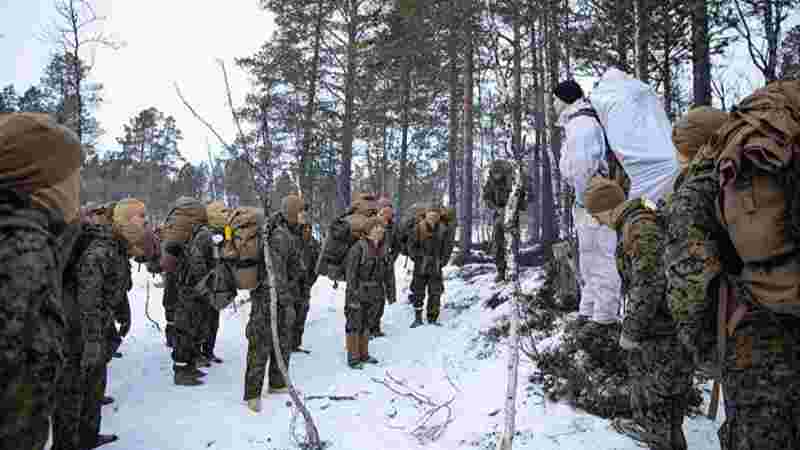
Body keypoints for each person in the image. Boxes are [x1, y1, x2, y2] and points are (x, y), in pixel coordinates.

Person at [665, 81, 800, 450]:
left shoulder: (702, 184)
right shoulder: (780, 153)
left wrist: (705, 350)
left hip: (756, 342)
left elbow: (687, 278)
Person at [584, 177, 692, 450]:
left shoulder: (639, 228)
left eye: (596, 216)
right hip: (663, 329)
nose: (597, 222)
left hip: (662, 334)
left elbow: (649, 283)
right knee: (665, 411)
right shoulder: (636, 223)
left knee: (658, 407)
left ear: (608, 208)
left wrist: (631, 331)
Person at [0, 113, 80, 450]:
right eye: (72, 176)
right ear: (41, 180)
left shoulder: (29, 238)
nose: (78, 187)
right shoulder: (22, 249)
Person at [554, 79, 626, 330]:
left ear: (565, 99)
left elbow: (583, 166)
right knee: (589, 256)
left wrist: (585, 200)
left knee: (602, 256)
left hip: (597, 199)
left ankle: (604, 316)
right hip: (588, 198)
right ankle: (589, 309)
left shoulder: (582, 125)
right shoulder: (578, 123)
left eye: (555, 98)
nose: (552, 104)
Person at [243, 194, 304, 413]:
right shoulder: (278, 236)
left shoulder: (288, 232)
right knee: (260, 344)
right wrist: (287, 300)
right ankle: (252, 394)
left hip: (279, 297)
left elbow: (294, 266)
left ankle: (277, 384)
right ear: (292, 213)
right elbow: (276, 274)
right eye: (301, 211)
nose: (304, 216)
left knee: (284, 340)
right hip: (268, 299)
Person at [344, 216, 396, 368]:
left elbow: (389, 274)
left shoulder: (384, 249)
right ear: (368, 231)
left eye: (381, 227)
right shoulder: (357, 248)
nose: (380, 230)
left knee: (368, 324)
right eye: (376, 227)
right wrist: (351, 296)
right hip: (358, 292)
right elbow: (351, 275)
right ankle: (353, 358)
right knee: (354, 324)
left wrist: (391, 293)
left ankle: (364, 354)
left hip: (375, 293)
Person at [408, 205, 450, 327]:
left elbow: (447, 248)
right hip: (420, 266)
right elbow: (411, 247)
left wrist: (442, 261)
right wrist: (418, 258)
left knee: (435, 292)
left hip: (436, 266)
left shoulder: (443, 229)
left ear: (438, 217)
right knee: (418, 291)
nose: (433, 217)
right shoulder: (418, 228)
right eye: (430, 215)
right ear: (426, 215)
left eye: (435, 215)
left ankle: (432, 318)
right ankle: (418, 318)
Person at [369, 196, 398, 337]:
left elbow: (397, 245)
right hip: (370, 263)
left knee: (381, 298)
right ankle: (367, 329)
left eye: (389, 211)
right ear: (379, 211)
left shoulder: (393, 226)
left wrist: (392, 258)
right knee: (369, 299)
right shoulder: (372, 223)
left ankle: (376, 327)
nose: (386, 214)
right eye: (383, 211)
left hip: (385, 264)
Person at [293, 200, 320, 352]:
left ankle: (295, 344)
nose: (303, 215)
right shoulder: (288, 234)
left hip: (305, 284)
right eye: (301, 211)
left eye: (305, 212)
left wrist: (310, 280)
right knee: (288, 316)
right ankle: (285, 345)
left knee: (301, 314)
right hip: (291, 285)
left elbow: (317, 260)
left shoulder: (311, 238)